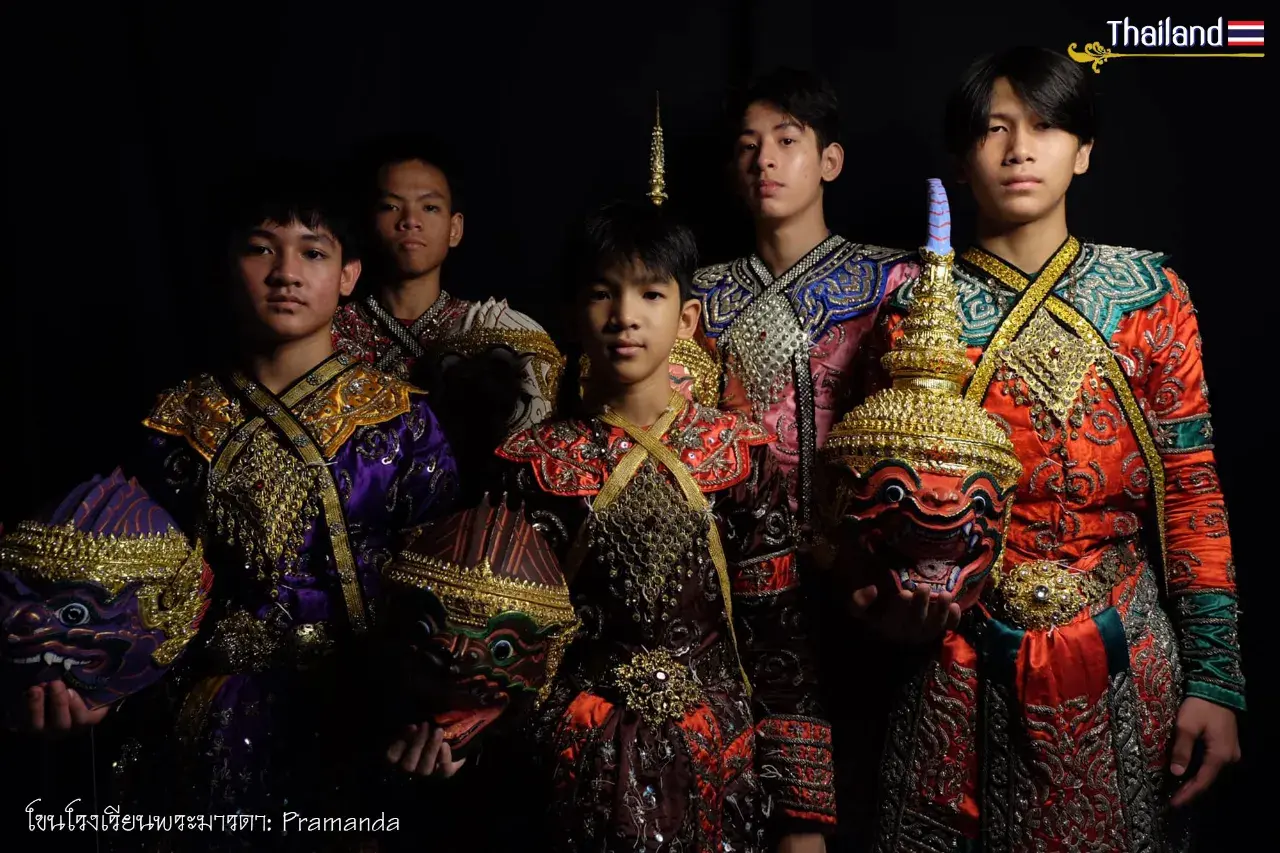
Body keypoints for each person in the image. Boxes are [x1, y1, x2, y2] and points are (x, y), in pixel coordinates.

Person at [856, 47, 1243, 852]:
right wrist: (887, 604)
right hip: (953, 660)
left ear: (1086, 150)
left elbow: (1192, 491)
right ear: (963, 161)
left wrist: (1215, 679)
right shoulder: (912, 309)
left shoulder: (1150, 298)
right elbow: (873, 507)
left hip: (1124, 653)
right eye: (994, 128)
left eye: (1044, 125)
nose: (1020, 148)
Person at [11, 161, 460, 851]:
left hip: (363, 710)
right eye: (261, 248)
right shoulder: (176, 419)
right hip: (202, 714)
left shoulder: (399, 421)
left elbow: (443, 586)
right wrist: (98, 677)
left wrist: (441, 709)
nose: (286, 271)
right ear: (229, 264)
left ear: (348, 274)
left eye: (312, 252)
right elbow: (136, 587)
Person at [487, 199, 834, 852]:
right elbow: (508, 643)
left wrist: (803, 816)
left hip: (722, 762)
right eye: (602, 294)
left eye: (650, 293)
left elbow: (780, 641)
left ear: (687, 317)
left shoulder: (738, 455)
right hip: (575, 765)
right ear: (573, 313)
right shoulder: (531, 465)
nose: (625, 317)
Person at [691, 68, 919, 536]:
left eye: (787, 141)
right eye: (748, 146)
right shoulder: (697, 296)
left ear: (829, 162)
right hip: (729, 553)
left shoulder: (891, 281)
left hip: (856, 558)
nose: (764, 161)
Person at [332, 136, 563, 492]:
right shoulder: (330, 331)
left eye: (429, 208)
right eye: (391, 207)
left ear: (455, 228)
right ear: (367, 223)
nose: (410, 221)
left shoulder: (493, 329)